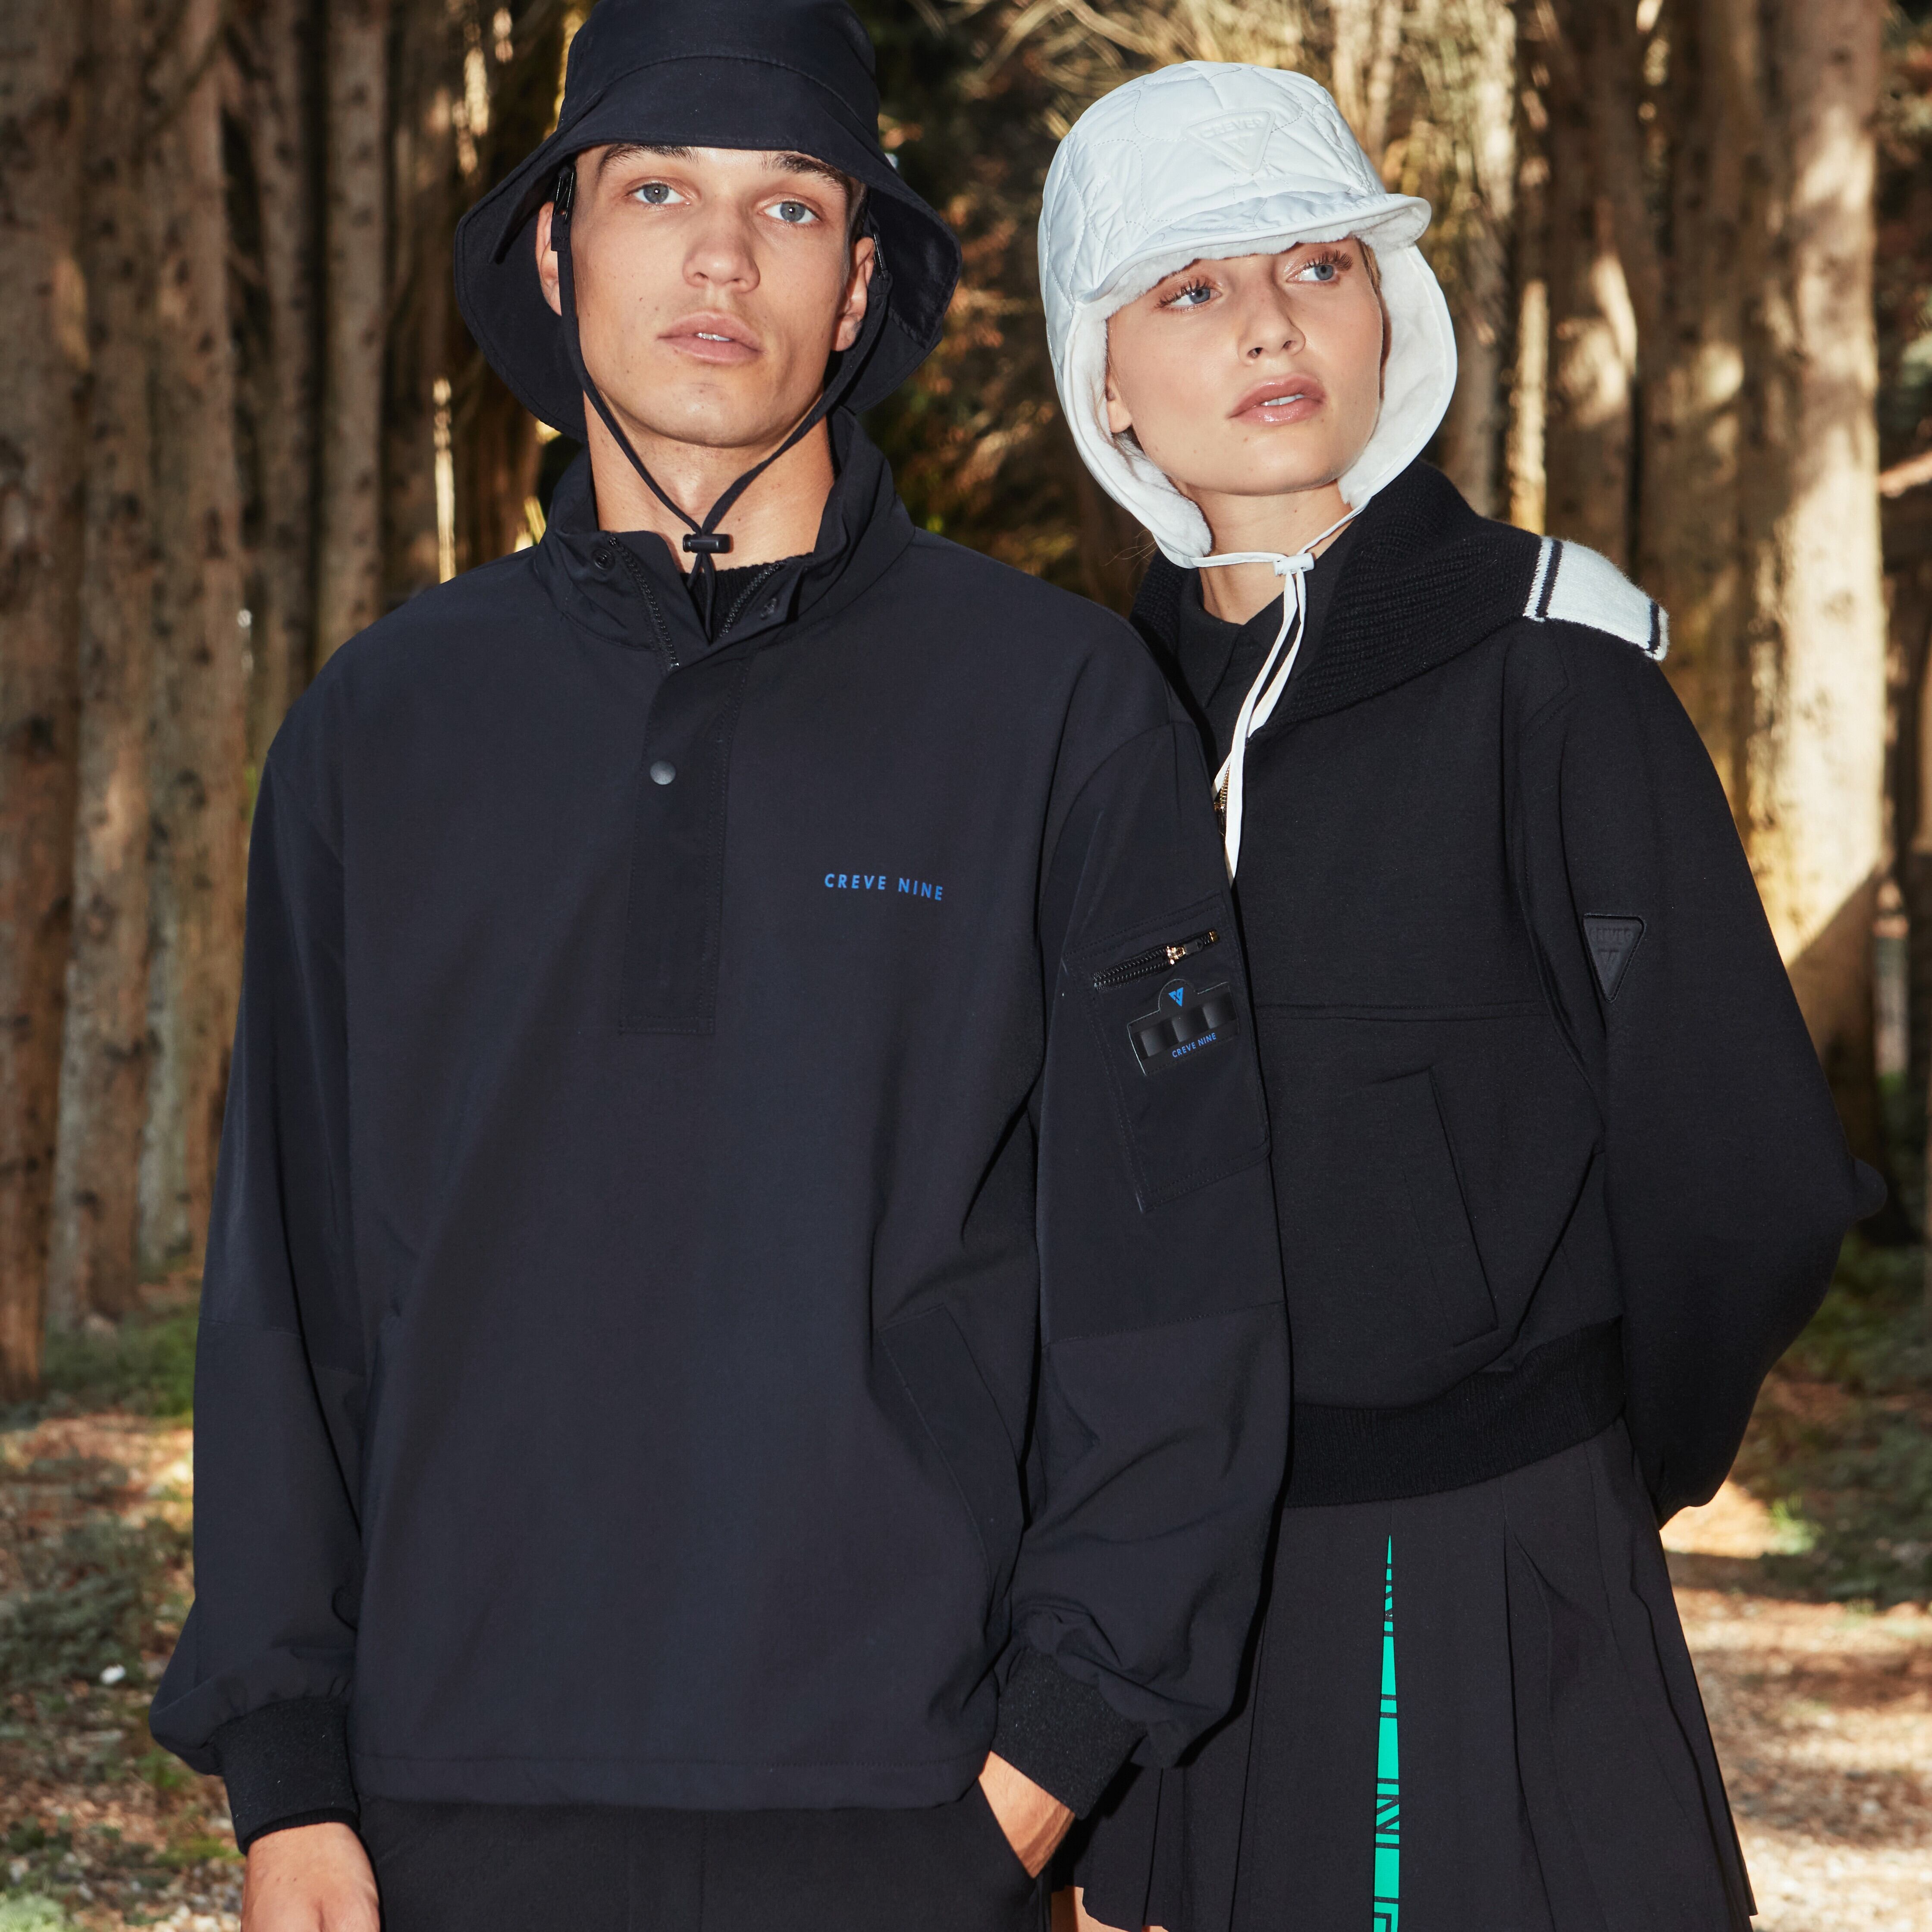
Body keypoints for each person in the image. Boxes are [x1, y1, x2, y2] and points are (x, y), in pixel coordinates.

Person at [148, 10, 1294, 1930]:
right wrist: (287, 1774)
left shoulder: (1058, 708)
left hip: (908, 1804)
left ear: (858, 287)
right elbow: (288, 1293)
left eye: (790, 207)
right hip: (443, 1806)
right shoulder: (381, 728)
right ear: (553, 250)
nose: (718, 258)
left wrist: (1048, 1760)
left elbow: (1174, 1279)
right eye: (655, 189)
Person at [1035, 62, 1884, 1932]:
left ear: (1390, 310)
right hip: (1160, 1590)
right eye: (1192, 286)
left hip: (1483, 1556)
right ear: (1103, 375)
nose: (1271, 323)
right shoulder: (1086, 732)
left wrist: (1573, 1458)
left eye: (1318, 265)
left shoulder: (1553, 681)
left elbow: (1742, 1166)